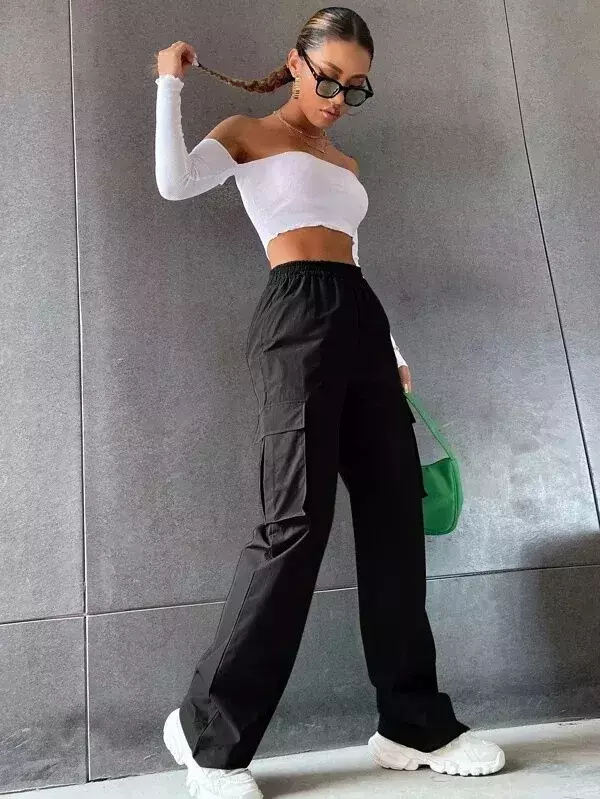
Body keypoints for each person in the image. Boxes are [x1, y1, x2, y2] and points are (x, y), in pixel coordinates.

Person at [153, 8, 505, 798]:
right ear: (296, 63)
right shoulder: (248, 132)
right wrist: (169, 84)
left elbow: (354, 254)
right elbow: (175, 183)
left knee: (395, 516)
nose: (340, 97)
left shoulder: (343, 161)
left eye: (356, 87)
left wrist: (394, 351)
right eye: (329, 78)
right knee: (294, 523)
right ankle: (207, 733)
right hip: (295, 317)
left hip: (361, 318)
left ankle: (411, 723)